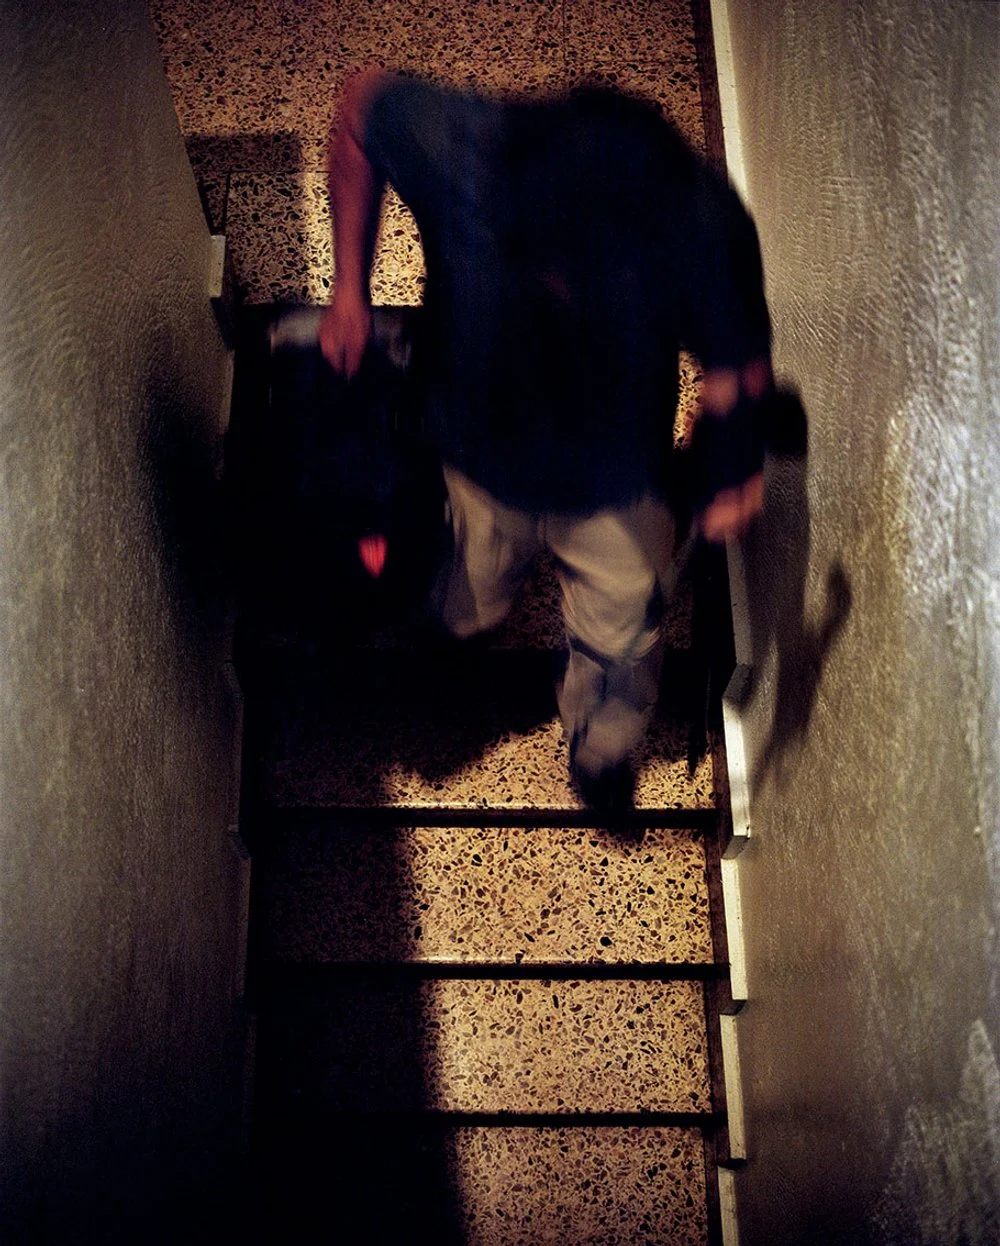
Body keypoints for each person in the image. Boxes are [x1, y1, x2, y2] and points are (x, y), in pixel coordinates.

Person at [319, 68, 774, 810]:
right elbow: (363, 106)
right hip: (468, 454)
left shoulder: (700, 226)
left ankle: (600, 748)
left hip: (614, 485)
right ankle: (462, 633)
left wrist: (734, 461)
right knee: (459, 595)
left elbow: (739, 371)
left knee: (623, 644)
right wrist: (348, 289)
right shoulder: (463, 151)